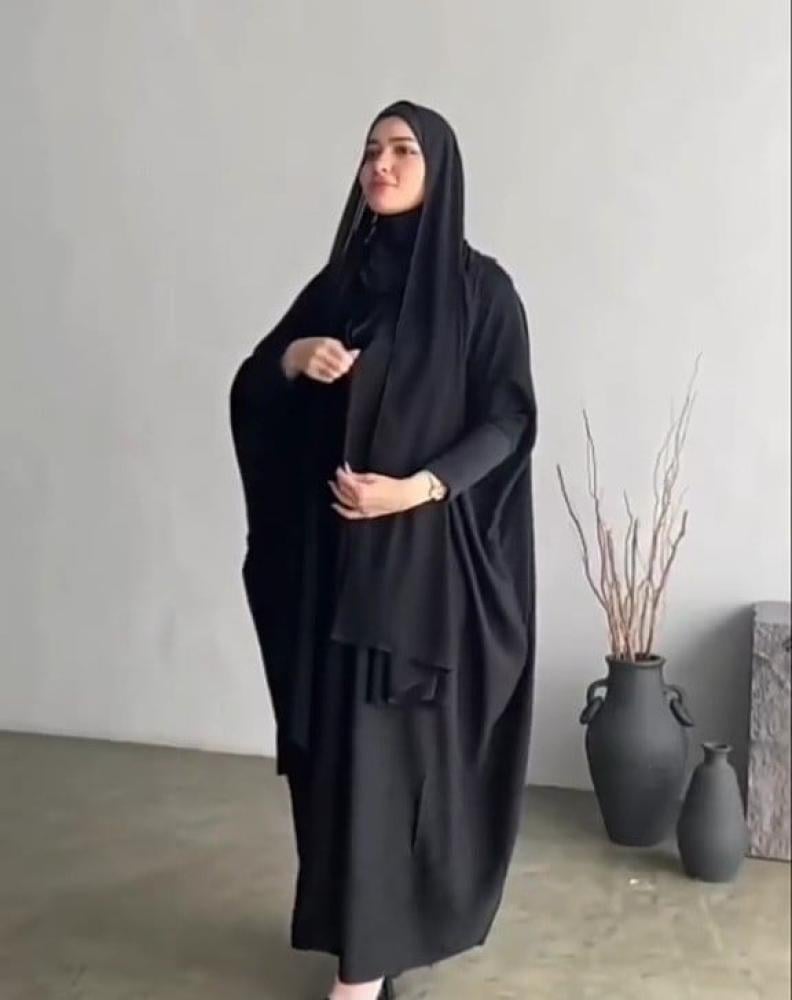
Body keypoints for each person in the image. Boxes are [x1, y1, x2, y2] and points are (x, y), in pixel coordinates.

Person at [229, 100, 538, 1000]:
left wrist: (417, 489)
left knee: (389, 762)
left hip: (417, 576)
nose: (381, 164)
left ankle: (359, 976)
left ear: (440, 169)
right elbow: (255, 387)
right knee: (340, 761)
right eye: (371, 150)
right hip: (333, 570)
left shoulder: (482, 293)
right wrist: (294, 359)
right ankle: (367, 941)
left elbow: (508, 420)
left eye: (403, 150)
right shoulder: (341, 287)